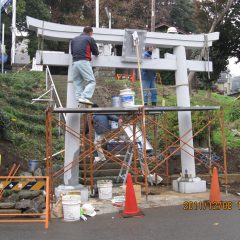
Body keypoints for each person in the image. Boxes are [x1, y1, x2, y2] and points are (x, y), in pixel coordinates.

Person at [71, 26, 99, 105]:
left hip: (75, 63)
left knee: (78, 82)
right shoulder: (89, 39)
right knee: (92, 81)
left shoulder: (74, 39)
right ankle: (84, 97)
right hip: (83, 61)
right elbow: (96, 52)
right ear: (90, 32)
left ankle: (78, 101)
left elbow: (72, 52)